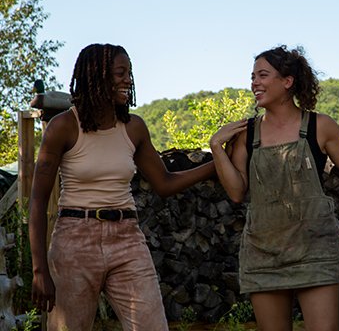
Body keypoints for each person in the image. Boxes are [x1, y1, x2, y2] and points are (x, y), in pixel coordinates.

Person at [208, 46, 339, 331]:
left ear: (288, 81)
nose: (254, 84)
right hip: (263, 251)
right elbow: (237, 192)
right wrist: (216, 146)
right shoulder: (246, 133)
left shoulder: (320, 126)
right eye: (252, 77)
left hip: (316, 249)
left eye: (262, 75)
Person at [29, 43, 217, 331]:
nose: (127, 80)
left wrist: (216, 164)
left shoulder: (134, 128)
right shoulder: (63, 127)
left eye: (129, 73)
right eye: (120, 73)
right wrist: (39, 269)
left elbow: (164, 183)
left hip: (127, 239)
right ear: (97, 76)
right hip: (75, 240)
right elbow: (38, 201)